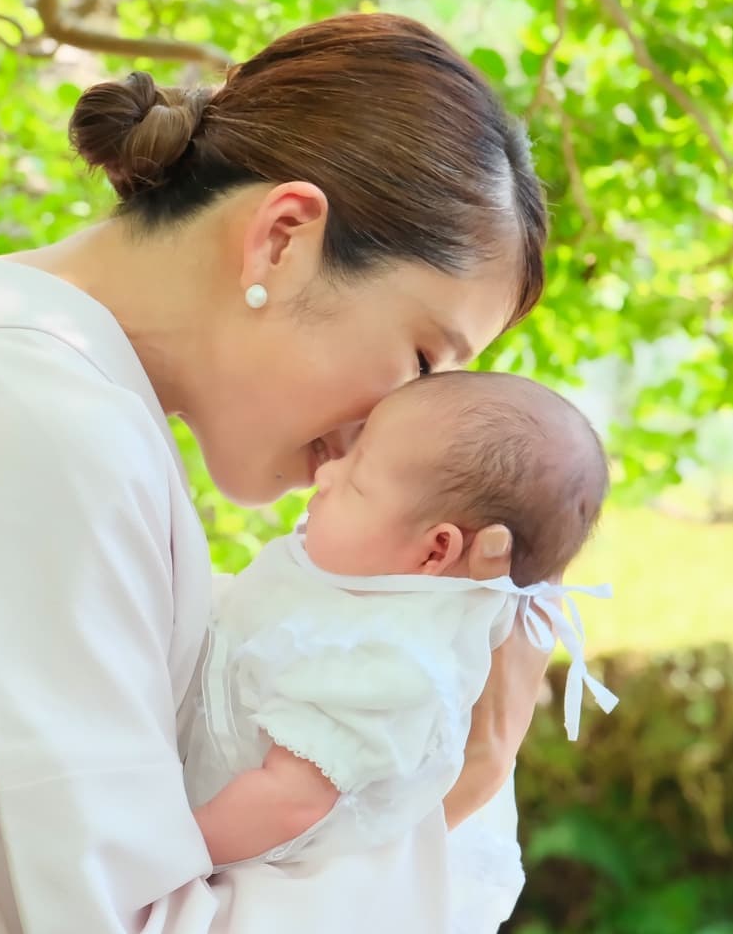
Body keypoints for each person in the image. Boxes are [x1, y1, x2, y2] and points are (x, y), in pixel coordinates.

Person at [0, 11, 551, 933]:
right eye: (421, 359)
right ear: (283, 238)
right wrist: (458, 790)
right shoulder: (32, 419)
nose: (404, 421)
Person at [187, 372, 619, 869]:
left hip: (224, 846)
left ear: (436, 550)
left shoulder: (389, 660)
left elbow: (290, 802)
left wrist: (159, 858)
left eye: (356, 481)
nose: (326, 475)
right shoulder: (356, 590)